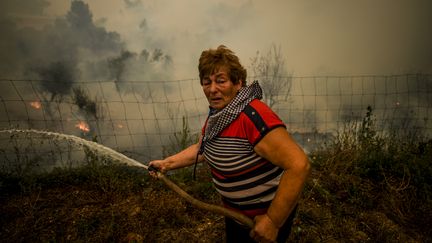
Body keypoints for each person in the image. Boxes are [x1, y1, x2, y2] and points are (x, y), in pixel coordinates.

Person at [149, 45, 310, 243]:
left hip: (263, 220)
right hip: (235, 216)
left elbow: (299, 164)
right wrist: (167, 164)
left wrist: (272, 221)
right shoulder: (219, 115)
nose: (212, 89)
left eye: (221, 81)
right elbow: (203, 149)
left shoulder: (252, 116)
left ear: (238, 83)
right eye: (207, 82)